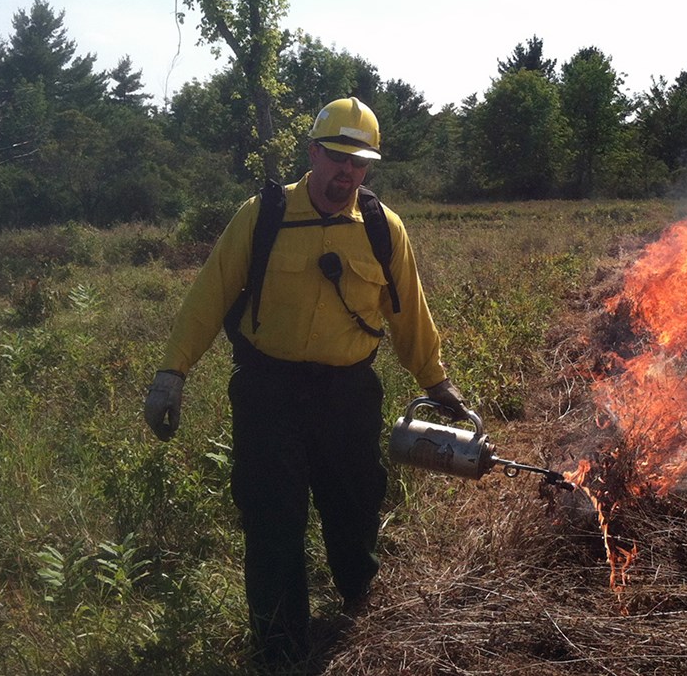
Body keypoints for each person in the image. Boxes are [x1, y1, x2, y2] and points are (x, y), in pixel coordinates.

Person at [142, 96, 466, 670]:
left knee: (355, 504)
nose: (347, 172)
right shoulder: (262, 215)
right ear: (313, 152)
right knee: (272, 517)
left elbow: (409, 311)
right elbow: (209, 295)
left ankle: (360, 611)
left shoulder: (383, 230)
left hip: (348, 395)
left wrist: (437, 382)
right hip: (269, 393)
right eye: (337, 157)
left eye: (359, 162)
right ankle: (279, 645)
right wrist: (173, 372)